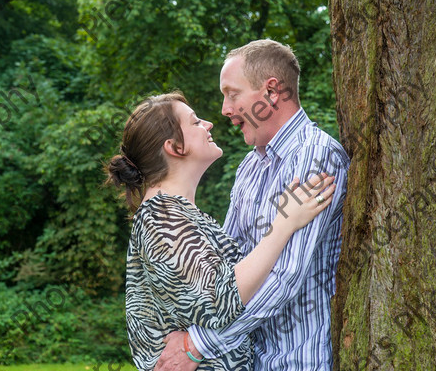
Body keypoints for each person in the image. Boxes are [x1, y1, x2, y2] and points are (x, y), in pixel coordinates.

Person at [105, 91, 337, 370]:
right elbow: (221, 302)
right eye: (194, 122)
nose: (208, 124)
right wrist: (284, 223)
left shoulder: (177, 214)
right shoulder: (162, 217)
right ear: (174, 147)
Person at [156, 40, 350, 370]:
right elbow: (229, 265)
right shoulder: (250, 166)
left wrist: (198, 344)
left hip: (296, 361)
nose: (224, 110)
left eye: (232, 94)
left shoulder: (314, 157)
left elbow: (285, 276)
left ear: (271, 92)